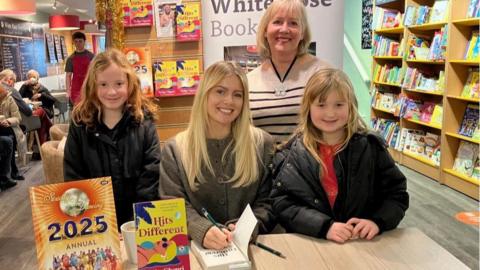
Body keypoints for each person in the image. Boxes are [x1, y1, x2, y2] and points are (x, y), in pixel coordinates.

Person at [270, 69, 409, 243]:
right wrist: (323, 226)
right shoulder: (292, 154)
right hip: (312, 243)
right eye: (321, 105)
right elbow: (282, 203)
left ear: (351, 106)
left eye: (339, 105)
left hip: (361, 244)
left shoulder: (371, 148)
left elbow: (396, 194)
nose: (330, 113)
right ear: (308, 107)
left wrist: (377, 221)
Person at [160, 61, 276, 250]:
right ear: (204, 94)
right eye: (220, 91)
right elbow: (173, 204)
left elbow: (269, 202)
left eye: (237, 95)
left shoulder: (262, 144)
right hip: (196, 251)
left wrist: (249, 226)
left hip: (251, 249)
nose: (229, 101)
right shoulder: (175, 149)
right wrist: (201, 230)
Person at [64, 49, 161, 228]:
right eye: (103, 84)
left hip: (139, 221)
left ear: (130, 83)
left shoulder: (144, 120)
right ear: (93, 85)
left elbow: (152, 172)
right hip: (95, 223)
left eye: (119, 83)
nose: (112, 92)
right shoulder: (80, 124)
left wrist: (140, 220)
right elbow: (73, 175)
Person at [248, 0, 330, 144]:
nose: (284, 29)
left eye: (293, 23)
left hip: (309, 165)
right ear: (265, 30)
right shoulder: (248, 80)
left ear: (303, 33)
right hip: (261, 165)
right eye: (277, 22)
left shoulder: (322, 73)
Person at [19, 69, 56, 144]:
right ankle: (45, 140)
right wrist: (24, 85)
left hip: (45, 110)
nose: (31, 79)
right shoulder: (26, 88)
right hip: (30, 111)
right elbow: (19, 97)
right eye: (29, 77)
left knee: (40, 116)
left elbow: (53, 100)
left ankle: (38, 144)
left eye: (33, 77)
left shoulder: (42, 88)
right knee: (40, 123)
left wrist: (41, 95)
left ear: (37, 78)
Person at [0, 83, 23, 189]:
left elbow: (18, 118)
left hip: (9, 127)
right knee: (7, 139)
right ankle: (8, 174)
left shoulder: (9, 99)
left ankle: (10, 172)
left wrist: (8, 121)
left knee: (8, 135)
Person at [65, 31, 95, 107]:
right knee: (77, 111)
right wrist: (68, 91)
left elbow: (96, 72)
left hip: (89, 87)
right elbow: (68, 76)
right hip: (76, 89)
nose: (78, 43)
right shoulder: (70, 59)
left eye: (80, 41)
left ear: (84, 41)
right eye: (76, 41)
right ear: (73, 43)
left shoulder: (91, 56)